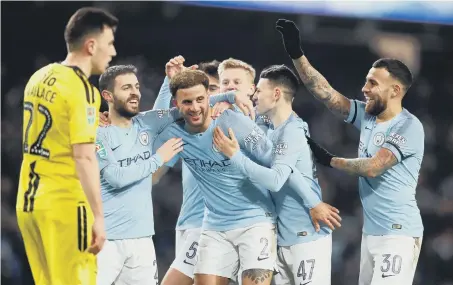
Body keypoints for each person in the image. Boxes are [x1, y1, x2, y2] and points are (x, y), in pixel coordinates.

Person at [153, 69, 341, 285]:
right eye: (187, 102)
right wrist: (226, 97)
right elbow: (151, 120)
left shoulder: (236, 123)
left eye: (201, 99)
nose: (195, 107)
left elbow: (278, 168)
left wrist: (313, 201)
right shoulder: (177, 128)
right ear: (177, 104)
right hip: (214, 225)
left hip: (254, 222)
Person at [276, 19, 424, 285]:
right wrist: (297, 55)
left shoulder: (409, 126)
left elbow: (374, 166)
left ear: (395, 90)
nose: (364, 89)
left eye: (373, 84)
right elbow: (325, 93)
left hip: (398, 233)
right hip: (373, 232)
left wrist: (330, 160)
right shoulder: (367, 118)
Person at [16, 7, 118, 285]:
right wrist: (98, 216)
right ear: (91, 45)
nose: (113, 52)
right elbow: (84, 157)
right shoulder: (83, 89)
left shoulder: (39, 77)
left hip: (29, 203)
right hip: (65, 206)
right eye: (109, 44)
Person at [213, 64, 339, 285]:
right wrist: (225, 100)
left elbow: (276, 179)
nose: (254, 95)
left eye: (259, 91)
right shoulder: (271, 128)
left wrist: (235, 156)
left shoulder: (292, 131)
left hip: (307, 235)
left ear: (277, 94)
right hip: (283, 238)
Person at [94, 65, 185, 285]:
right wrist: (157, 159)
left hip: (142, 240)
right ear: (108, 95)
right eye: (126, 88)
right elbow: (115, 177)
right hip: (107, 241)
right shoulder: (97, 131)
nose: (135, 92)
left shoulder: (144, 123)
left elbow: (187, 108)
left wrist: (168, 81)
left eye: (136, 86)